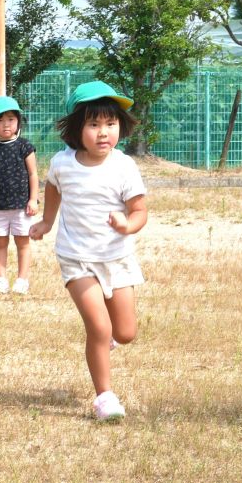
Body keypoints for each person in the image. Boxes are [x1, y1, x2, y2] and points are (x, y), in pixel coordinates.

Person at [29, 81, 147, 421]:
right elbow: (53, 189)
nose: (102, 132)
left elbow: (140, 211)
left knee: (124, 333)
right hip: (76, 258)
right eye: (93, 124)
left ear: (120, 127)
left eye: (110, 124)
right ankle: (105, 397)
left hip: (117, 258)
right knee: (99, 328)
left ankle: (108, 341)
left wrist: (127, 225)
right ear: (77, 128)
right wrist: (46, 222)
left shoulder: (124, 166)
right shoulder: (63, 163)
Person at [0, 95, 38, 294]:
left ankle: (22, 280)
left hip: (21, 205)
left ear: (18, 122)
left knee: (22, 242)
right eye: (0, 120)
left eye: (11, 119)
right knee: (0, 243)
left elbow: (33, 173)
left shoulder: (25, 146)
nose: (6, 124)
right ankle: (1, 279)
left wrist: (33, 199)